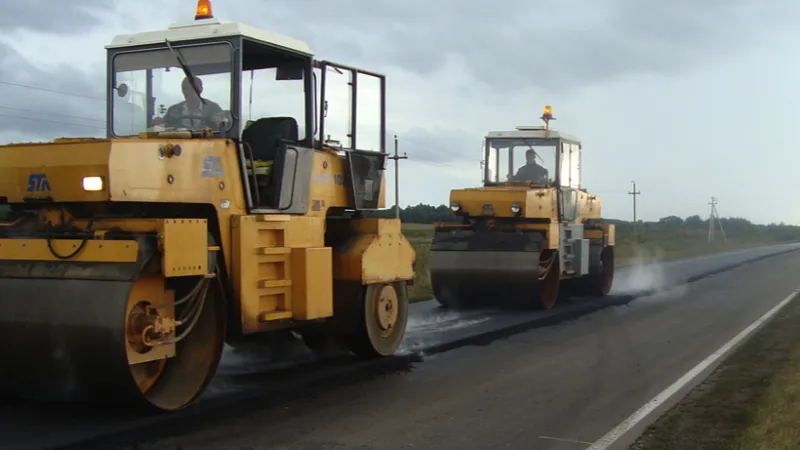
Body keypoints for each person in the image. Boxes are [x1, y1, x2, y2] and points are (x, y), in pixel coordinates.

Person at [152, 76, 225, 129]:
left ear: (200, 89)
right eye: (185, 88)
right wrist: (159, 122)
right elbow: (166, 125)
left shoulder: (213, 109)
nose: (188, 92)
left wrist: (218, 121)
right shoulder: (173, 111)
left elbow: (222, 126)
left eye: (192, 88)